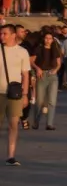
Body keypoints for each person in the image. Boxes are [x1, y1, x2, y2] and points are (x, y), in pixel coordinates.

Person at [2, 24, 30, 166]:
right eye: (1, 34)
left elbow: (25, 75)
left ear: (13, 35)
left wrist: (25, 94)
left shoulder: (22, 52)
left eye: (5, 34)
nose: (2, 36)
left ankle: (11, 156)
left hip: (14, 94)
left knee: (13, 124)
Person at [29, 30, 62, 130]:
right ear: (43, 39)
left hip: (52, 76)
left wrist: (56, 70)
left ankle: (49, 124)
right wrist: (37, 68)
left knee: (52, 101)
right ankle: (36, 122)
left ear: (52, 40)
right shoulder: (39, 48)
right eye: (46, 38)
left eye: (50, 39)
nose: (48, 40)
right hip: (41, 75)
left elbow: (59, 63)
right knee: (39, 101)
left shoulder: (55, 49)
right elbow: (31, 61)